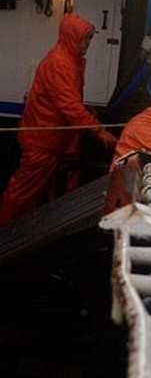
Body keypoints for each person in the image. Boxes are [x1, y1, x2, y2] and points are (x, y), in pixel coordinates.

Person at [0, 12, 117, 223]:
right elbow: (69, 106)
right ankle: (6, 234)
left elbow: (69, 100)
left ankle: (35, 230)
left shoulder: (71, 59)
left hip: (57, 140)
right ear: (73, 37)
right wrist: (100, 132)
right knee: (23, 192)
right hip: (43, 142)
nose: (89, 43)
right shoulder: (61, 63)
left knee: (53, 191)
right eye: (86, 38)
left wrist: (88, 111)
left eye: (90, 38)